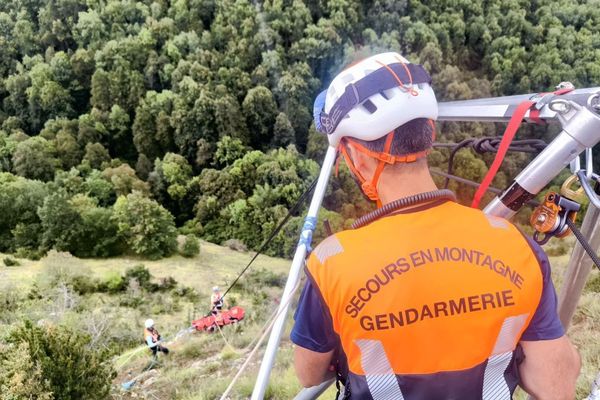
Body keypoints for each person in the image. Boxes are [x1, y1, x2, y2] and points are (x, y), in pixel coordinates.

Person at [291, 52, 581, 399]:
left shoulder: (332, 262)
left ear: (357, 156)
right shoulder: (514, 246)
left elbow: (308, 373)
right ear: (429, 133)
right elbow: (556, 384)